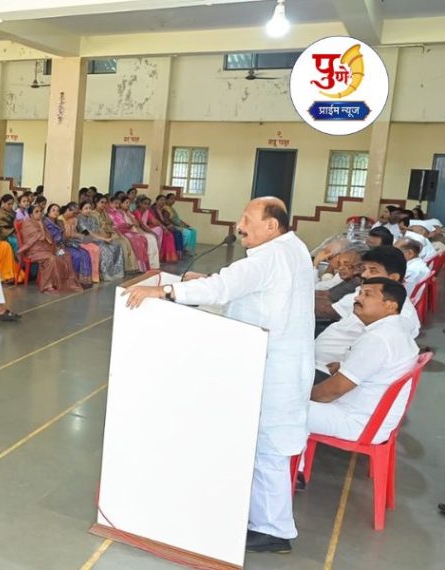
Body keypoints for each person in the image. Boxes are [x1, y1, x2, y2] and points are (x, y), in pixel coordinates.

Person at [124, 197, 314, 554]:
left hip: (271, 366)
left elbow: (225, 287)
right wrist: (208, 281)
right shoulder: (293, 248)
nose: (239, 226)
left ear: (271, 226)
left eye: (247, 219)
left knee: (266, 451)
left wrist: (164, 290)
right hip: (284, 361)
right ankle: (264, 521)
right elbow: (246, 288)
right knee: (267, 449)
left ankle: (272, 530)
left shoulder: (269, 257)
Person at [309, 277, 418, 449]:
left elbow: (333, 391)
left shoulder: (378, 339)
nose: (357, 298)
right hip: (371, 416)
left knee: (276, 405)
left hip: (354, 420)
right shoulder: (396, 331)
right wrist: (344, 366)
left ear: (390, 306)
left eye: (367, 294)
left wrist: (302, 395)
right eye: (360, 293)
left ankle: (288, 462)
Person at [314, 246, 420, 371]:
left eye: (373, 270)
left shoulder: (401, 316)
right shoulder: (369, 292)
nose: (364, 274)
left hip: (328, 369)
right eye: (364, 269)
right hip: (318, 359)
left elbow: (380, 357)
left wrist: (343, 366)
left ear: (393, 278)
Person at [18, 206, 83, 293]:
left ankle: (65, 281)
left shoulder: (42, 223)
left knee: (65, 254)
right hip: (34, 251)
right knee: (51, 258)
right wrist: (41, 226)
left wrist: (55, 247)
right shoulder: (28, 224)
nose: (39, 213)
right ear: (31, 215)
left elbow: (50, 238)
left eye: (40, 211)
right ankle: (48, 285)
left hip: (48, 249)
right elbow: (39, 238)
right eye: (36, 212)